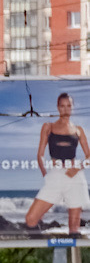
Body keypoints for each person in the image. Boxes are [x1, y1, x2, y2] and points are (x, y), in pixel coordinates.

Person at [26, 92, 90, 233]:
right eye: (62, 106)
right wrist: (46, 175)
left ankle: (69, 251)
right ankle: (48, 236)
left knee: (74, 229)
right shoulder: (48, 127)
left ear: (72, 107)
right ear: (57, 107)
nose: (65, 109)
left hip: (75, 176)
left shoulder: (78, 130)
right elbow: (40, 155)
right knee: (31, 219)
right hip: (55, 174)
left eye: (69, 106)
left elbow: (89, 157)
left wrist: (77, 168)